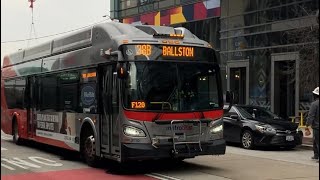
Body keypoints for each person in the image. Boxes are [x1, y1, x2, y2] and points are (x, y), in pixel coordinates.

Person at [305, 87, 319, 163]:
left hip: (317, 127)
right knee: (315, 141)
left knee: (317, 141)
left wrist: (307, 125)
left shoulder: (314, 104)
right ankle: (316, 155)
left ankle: (317, 155)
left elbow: (311, 116)